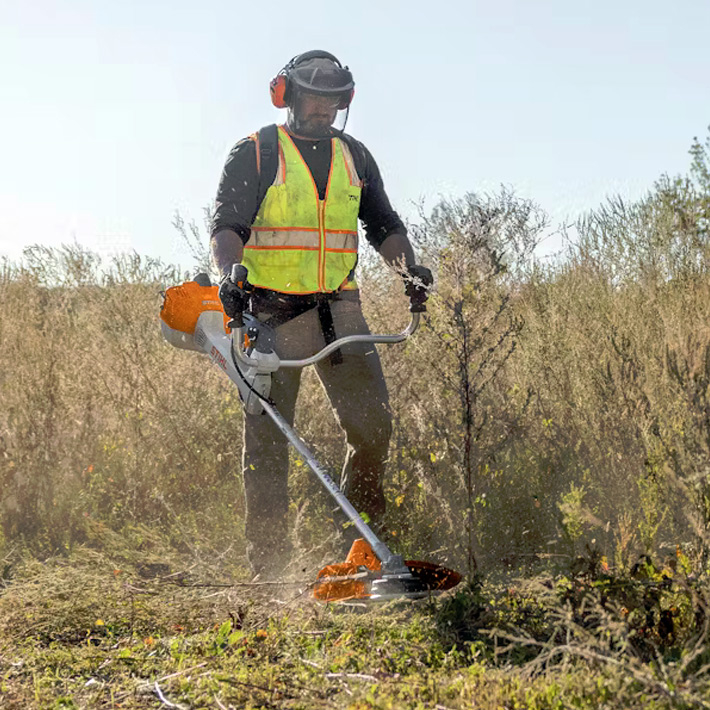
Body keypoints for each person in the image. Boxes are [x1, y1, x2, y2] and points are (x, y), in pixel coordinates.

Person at [210, 50, 432, 579]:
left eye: (332, 100)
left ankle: (359, 553)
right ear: (286, 94)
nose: (322, 108)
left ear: (343, 102)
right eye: (311, 97)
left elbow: (383, 225)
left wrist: (410, 270)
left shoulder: (355, 156)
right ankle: (269, 569)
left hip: (339, 310)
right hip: (268, 315)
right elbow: (226, 227)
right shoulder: (257, 151)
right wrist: (230, 278)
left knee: (373, 427)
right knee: (268, 444)